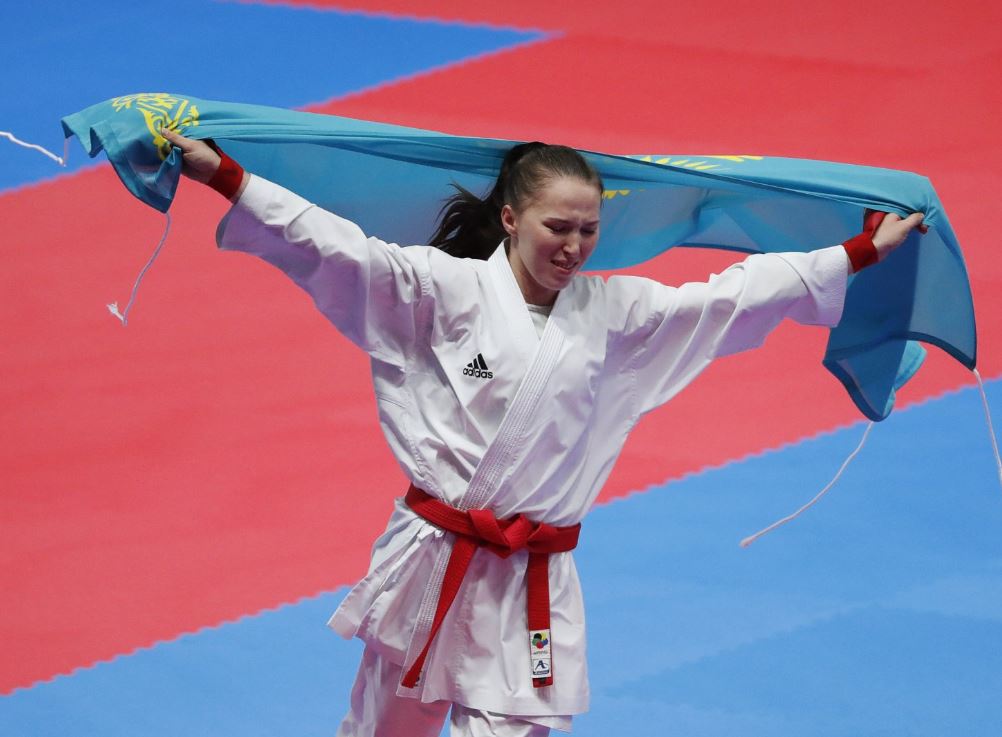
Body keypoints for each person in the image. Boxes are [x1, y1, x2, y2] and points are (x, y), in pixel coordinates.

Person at [161, 127, 925, 737]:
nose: (574, 245)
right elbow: (334, 248)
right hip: (431, 560)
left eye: (588, 229)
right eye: (557, 226)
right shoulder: (444, 290)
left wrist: (858, 252)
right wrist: (226, 177)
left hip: (530, 579)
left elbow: (729, 297)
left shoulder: (614, 316)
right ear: (510, 219)